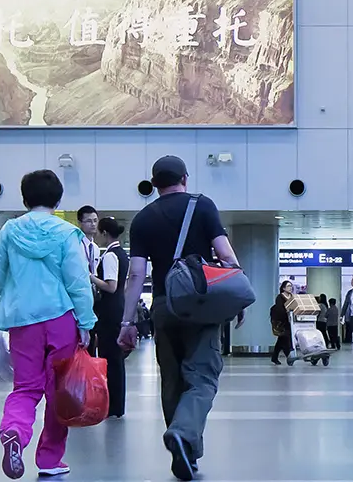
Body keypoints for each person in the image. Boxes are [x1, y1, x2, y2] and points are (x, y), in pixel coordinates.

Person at [124, 156, 241, 481]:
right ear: (185, 178)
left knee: (172, 378)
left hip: (164, 304)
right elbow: (226, 255)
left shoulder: (143, 218)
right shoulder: (202, 206)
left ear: (154, 183)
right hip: (200, 304)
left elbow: (136, 275)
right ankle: (184, 434)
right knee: (202, 376)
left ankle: (184, 453)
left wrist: (127, 322)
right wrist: (237, 295)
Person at [0, 170, 98, 479]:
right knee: (58, 391)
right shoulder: (67, 233)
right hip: (60, 319)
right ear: (59, 200)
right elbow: (78, 283)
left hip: (23, 321)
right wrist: (85, 322)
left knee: (26, 387)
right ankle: (49, 460)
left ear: (24, 198)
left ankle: (15, 433)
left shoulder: (10, 231)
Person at [90, 216, 129, 419]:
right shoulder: (122, 254)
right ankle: (116, 405)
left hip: (109, 311)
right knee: (115, 358)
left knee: (110, 358)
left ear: (105, 233)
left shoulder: (111, 256)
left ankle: (113, 405)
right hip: (118, 309)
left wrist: (90, 277)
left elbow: (111, 286)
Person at [271, 282, 294, 365]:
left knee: (281, 339)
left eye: (291, 286)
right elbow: (279, 309)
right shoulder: (280, 297)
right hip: (281, 321)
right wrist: (286, 311)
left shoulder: (292, 297)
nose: (290, 288)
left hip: (290, 321)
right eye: (288, 286)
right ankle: (289, 356)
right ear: (283, 288)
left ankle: (274, 357)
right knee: (285, 337)